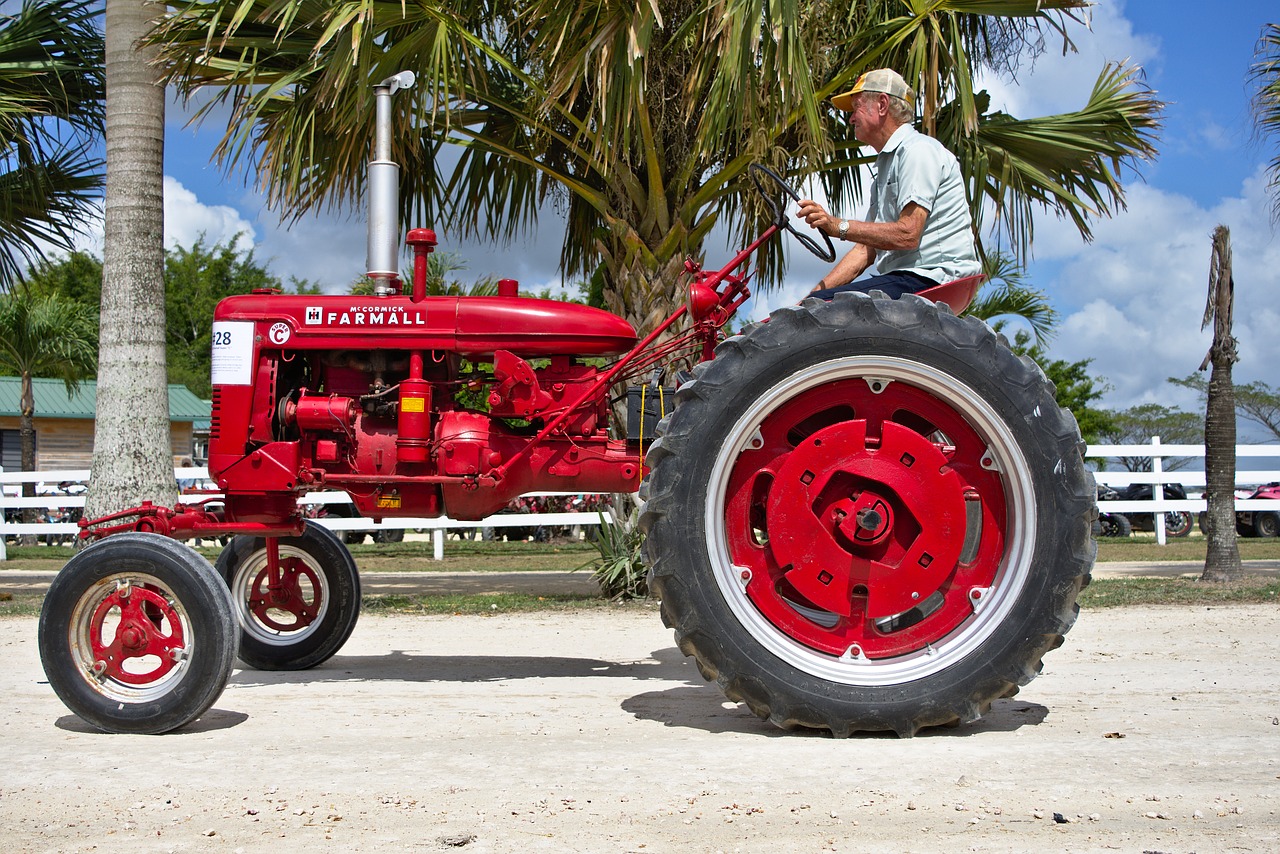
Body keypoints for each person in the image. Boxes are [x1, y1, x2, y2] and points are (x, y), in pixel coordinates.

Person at [797, 68, 980, 300]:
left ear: (882, 104)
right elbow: (865, 250)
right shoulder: (886, 166)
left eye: (857, 108)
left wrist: (837, 226)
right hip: (906, 278)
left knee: (824, 310)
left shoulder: (917, 150)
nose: (852, 118)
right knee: (815, 306)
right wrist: (806, 302)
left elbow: (908, 233)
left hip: (932, 277)